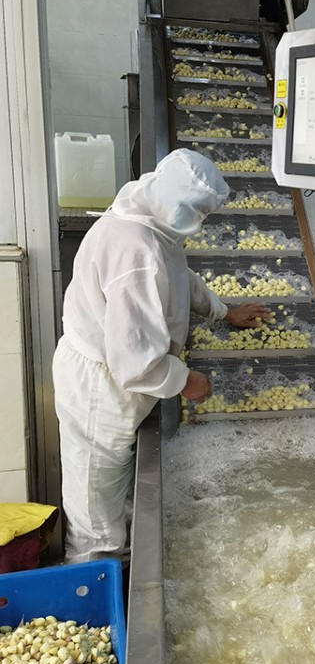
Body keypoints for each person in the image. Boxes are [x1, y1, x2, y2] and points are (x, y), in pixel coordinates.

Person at [53, 149, 270, 563]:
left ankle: (122, 563)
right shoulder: (134, 251)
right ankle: (95, 582)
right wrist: (185, 380)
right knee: (96, 516)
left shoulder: (148, 219)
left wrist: (224, 311)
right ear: (182, 209)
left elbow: (178, 275)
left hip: (116, 379)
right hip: (100, 388)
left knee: (113, 491)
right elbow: (135, 361)